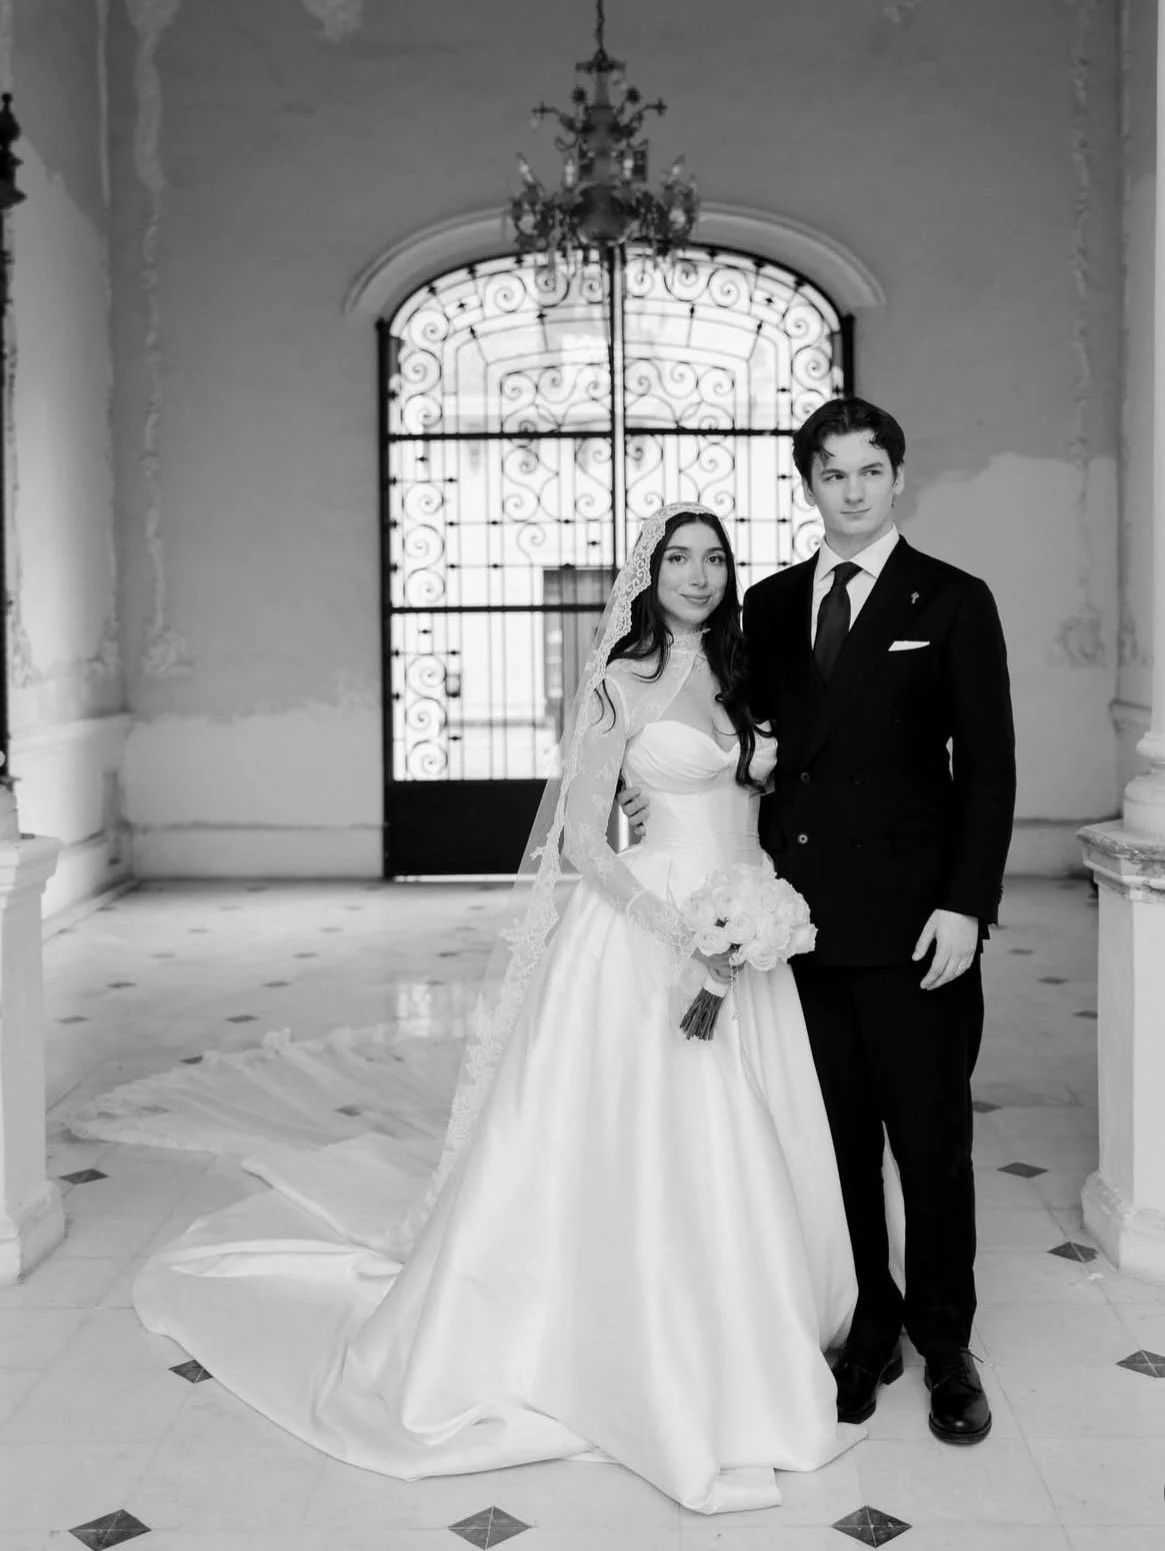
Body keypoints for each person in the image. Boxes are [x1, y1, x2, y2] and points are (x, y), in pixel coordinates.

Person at [72, 504, 863, 1516]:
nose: (698, 575)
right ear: (650, 572)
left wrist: (751, 914)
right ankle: (628, 1336)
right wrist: (671, 926)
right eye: (679, 558)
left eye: (713, 558)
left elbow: (768, 795)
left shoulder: (752, 678)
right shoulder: (618, 685)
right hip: (643, 934)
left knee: (756, 1129)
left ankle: (764, 1321)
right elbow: (582, 841)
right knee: (641, 1137)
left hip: (744, 928)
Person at [622, 400, 1016, 1445]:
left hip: (915, 926)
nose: (851, 488)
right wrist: (639, 796)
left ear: (897, 477)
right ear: (807, 484)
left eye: (868, 470)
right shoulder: (775, 604)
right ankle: (867, 1321)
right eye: (831, 472)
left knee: (928, 1144)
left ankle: (945, 1342)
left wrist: (966, 905)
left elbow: (987, 770)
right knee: (832, 1140)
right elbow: (732, 737)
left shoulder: (954, 599)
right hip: (795, 930)